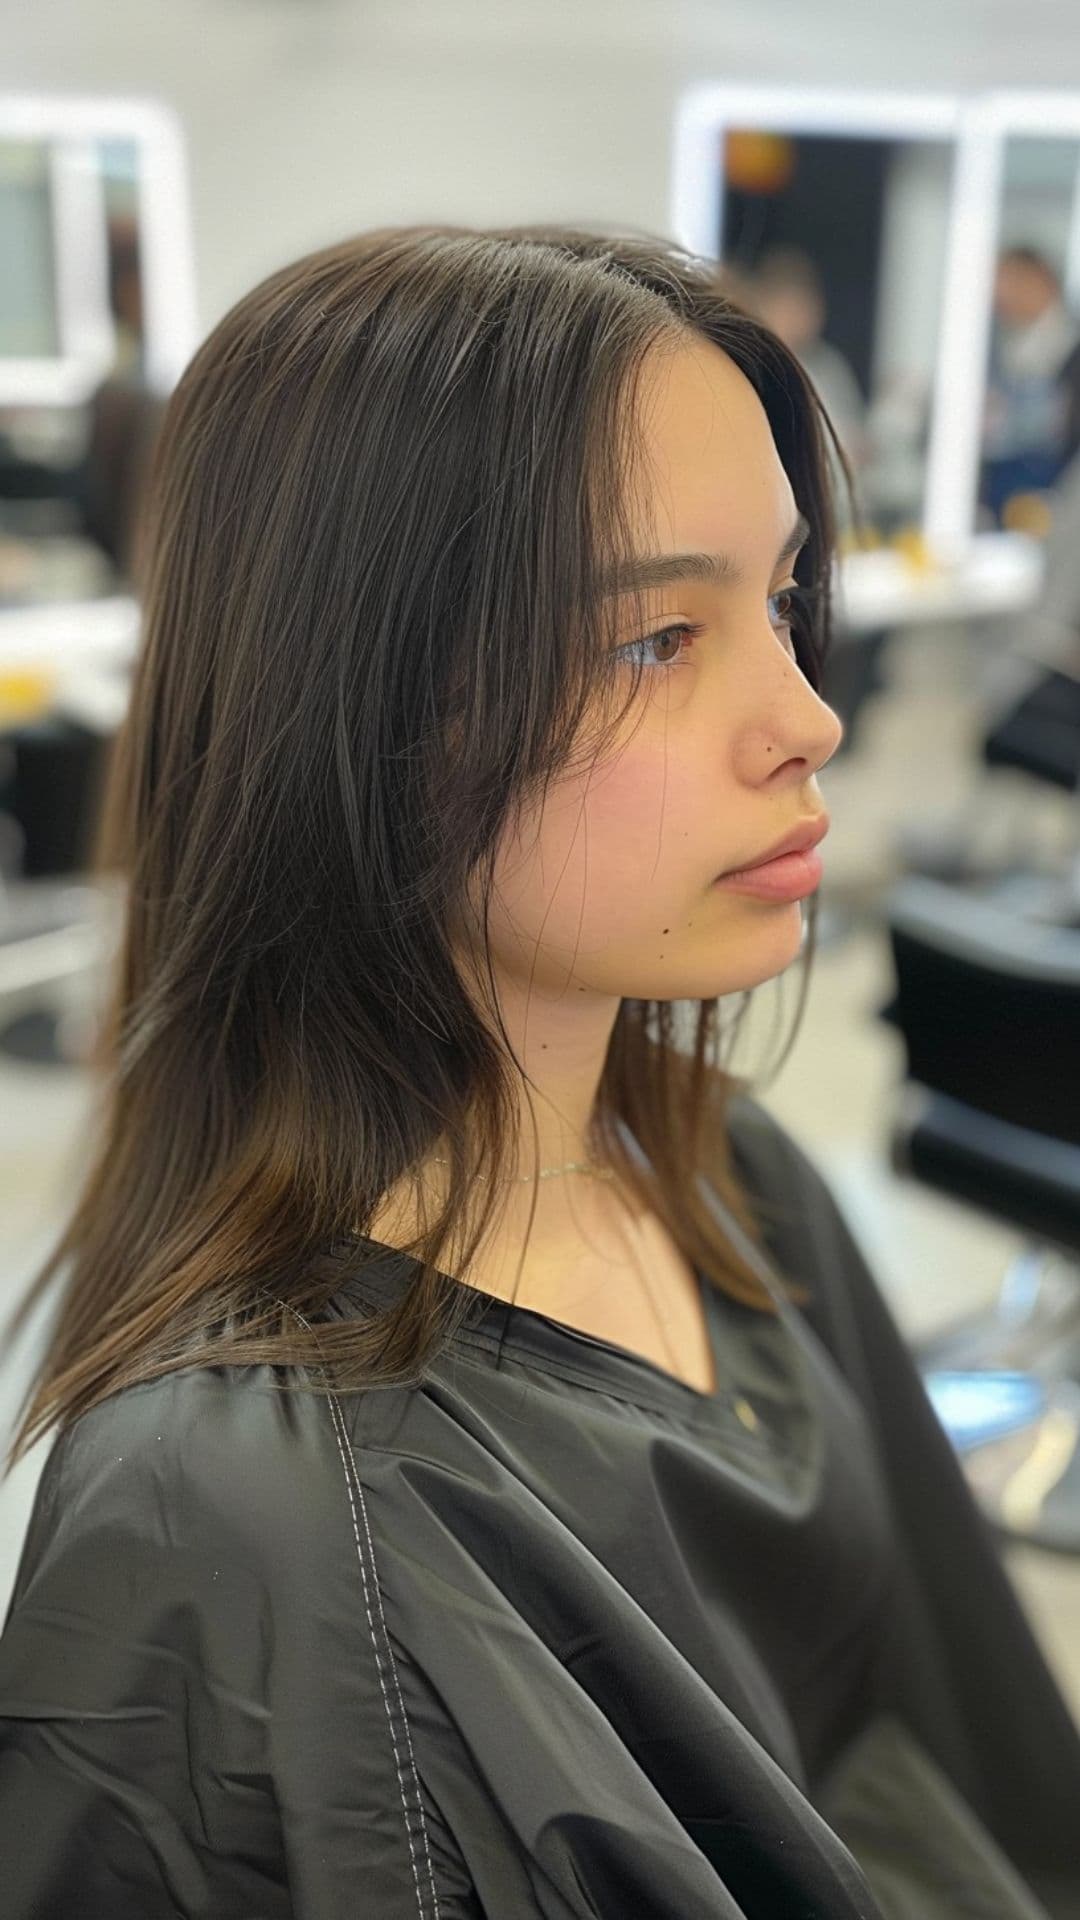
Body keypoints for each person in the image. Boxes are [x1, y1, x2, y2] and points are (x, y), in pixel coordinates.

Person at [0, 223, 1078, 1920]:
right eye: (657, 639)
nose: (808, 717)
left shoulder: (727, 1174)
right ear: (358, 712)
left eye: (786, 602)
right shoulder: (236, 1532)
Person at [980, 245, 1080, 528]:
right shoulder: (1000, 347)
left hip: (1055, 493)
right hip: (1007, 494)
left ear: (1039, 280)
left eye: (1009, 282)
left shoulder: (1069, 348)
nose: (1000, 296)